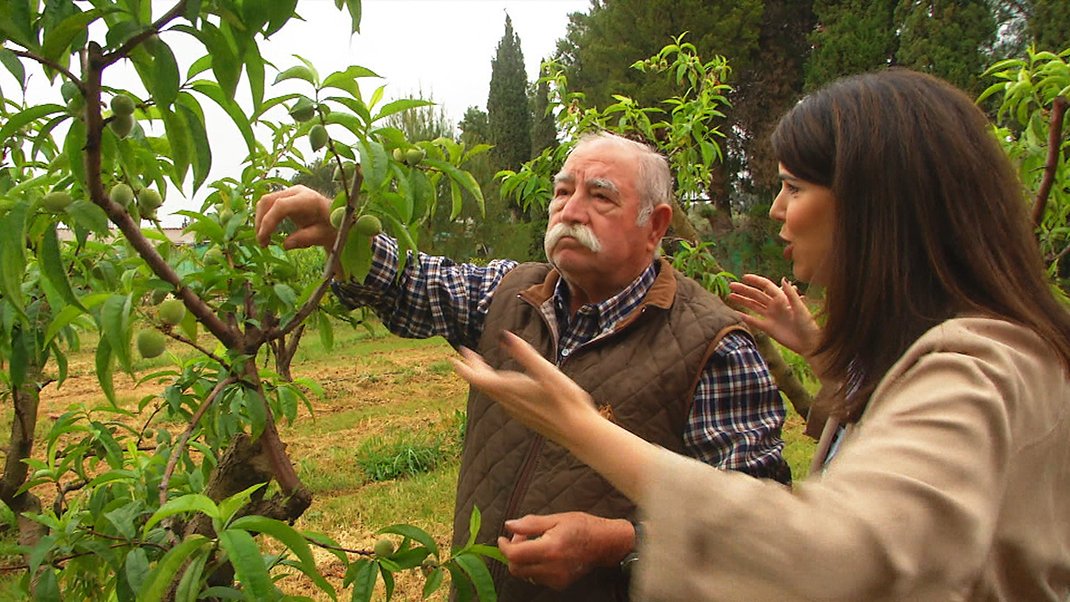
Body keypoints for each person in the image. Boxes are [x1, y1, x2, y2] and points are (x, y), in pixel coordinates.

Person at [453, 69, 1070, 601]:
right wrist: (828, 356)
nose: (776, 208)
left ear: (877, 206)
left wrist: (581, 427)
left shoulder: (984, 364)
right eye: (563, 192)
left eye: (794, 187)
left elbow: (838, 560)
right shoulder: (960, 356)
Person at [255, 132, 791, 601]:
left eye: (600, 196)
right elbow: (412, 283)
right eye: (562, 192)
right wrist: (345, 231)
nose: (570, 211)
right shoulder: (513, 291)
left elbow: (755, 535)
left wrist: (616, 543)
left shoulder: (714, 346)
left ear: (655, 225)